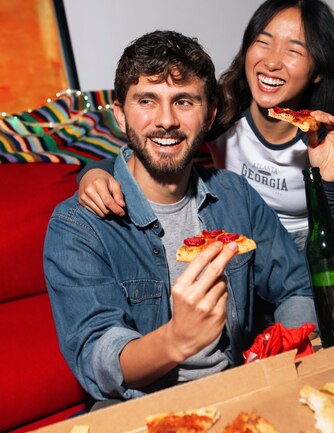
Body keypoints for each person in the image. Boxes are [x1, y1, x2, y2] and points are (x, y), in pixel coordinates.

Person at [44, 30, 316, 407]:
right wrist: (176, 339)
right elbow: (98, 358)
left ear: (209, 116)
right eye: (147, 101)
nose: (167, 120)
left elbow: (296, 288)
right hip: (142, 409)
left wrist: (278, 356)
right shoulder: (77, 225)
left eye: (184, 101)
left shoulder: (235, 195)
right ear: (121, 114)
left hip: (244, 387)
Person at [77, 0, 334, 256]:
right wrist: (93, 173)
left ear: (317, 70)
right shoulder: (224, 115)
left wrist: (330, 182)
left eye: (293, 51)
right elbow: (152, 145)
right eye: (263, 43)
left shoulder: (331, 137)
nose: (271, 62)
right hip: (242, 248)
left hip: (313, 254)